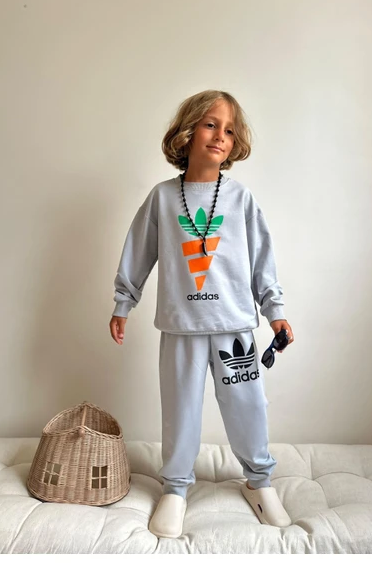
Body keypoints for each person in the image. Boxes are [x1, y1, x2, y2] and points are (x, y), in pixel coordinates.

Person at [109, 89, 295, 538]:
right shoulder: (161, 198)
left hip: (235, 326)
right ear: (189, 131)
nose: (220, 136)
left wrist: (275, 311)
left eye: (229, 130)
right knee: (180, 410)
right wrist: (123, 302)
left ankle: (259, 481)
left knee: (248, 406)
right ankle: (175, 488)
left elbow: (261, 260)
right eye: (211, 124)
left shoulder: (240, 199)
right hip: (181, 327)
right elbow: (138, 252)